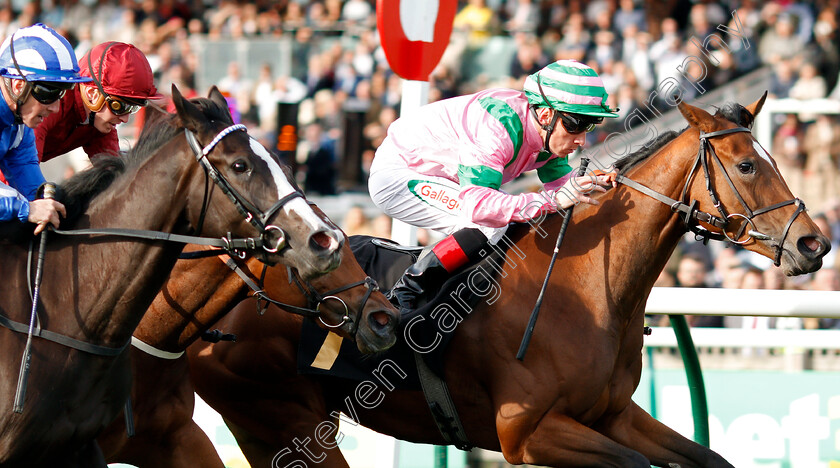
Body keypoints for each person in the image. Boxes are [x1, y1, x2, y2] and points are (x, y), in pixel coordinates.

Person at [368, 59, 618, 309]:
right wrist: (550, 200)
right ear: (545, 115)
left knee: (504, 221)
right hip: (398, 174)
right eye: (576, 124)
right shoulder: (498, 126)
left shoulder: (548, 134)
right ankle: (407, 291)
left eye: (589, 125)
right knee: (490, 225)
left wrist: (597, 184)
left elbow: (563, 188)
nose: (582, 140)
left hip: (444, 178)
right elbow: (479, 206)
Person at [0, 24, 90, 237]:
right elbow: (29, 207)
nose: (55, 108)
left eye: (61, 96)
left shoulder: (20, 124)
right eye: (49, 93)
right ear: (18, 86)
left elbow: (32, 189)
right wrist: (27, 209)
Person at [35, 41, 162, 162]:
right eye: (121, 106)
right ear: (92, 94)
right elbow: (23, 161)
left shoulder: (99, 123)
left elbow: (114, 175)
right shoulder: (53, 102)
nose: (125, 119)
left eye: (133, 108)